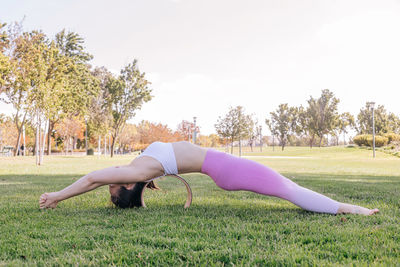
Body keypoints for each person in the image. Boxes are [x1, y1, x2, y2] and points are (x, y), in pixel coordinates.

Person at [39, 141, 379, 215]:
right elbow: (90, 178)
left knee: (288, 188)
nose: (108, 184)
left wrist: (56, 195)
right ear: (127, 186)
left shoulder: (139, 169)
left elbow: (93, 178)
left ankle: (343, 208)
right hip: (225, 168)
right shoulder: (138, 171)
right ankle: (348, 209)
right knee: (288, 189)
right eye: (112, 190)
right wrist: (56, 195)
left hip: (224, 167)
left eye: (109, 189)